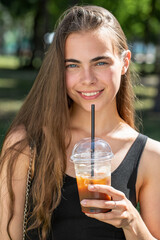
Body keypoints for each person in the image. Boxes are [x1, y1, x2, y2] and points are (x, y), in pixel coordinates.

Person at [0, 5, 160, 240]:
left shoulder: (150, 156)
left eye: (100, 63)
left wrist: (132, 222)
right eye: (72, 65)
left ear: (125, 62)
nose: (87, 79)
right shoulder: (27, 143)